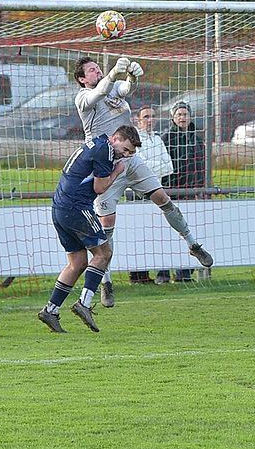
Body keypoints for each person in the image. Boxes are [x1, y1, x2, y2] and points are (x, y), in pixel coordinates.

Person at [73, 56, 212, 303]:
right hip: (105, 165)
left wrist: (131, 77)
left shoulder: (112, 86)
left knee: (164, 199)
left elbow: (125, 90)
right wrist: (114, 72)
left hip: (130, 159)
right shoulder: (83, 98)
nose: (97, 71)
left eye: (98, 68)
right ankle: (106, 282)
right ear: (82, 79)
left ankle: (193, 244)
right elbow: (101, 90)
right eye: (92, 70)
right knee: (107, 227)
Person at [37, 125, 138, 333]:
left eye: (130, 153)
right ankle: (84, 303)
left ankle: (50, 310)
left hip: (59, 207)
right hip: (76, 207)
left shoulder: (97, 144)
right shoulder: (106, 151)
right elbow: (99, 188)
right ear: (116, 138)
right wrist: (118, 172)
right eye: (125, 149)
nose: (125, 155)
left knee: (78, 262)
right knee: (104, 253)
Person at [160, 100, 208, 283]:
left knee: (190, 232)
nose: (182, 117)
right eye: (179, 114)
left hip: (191, 192)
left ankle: (185, 273)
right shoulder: (166, 138)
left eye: (185, 114)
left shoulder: (196, 137)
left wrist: (202, 187)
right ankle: (163, 274)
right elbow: (165, 166)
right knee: (168, 233)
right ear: (173, 117)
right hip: (172, 191)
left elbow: (201, 164)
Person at [127, 105, 175, 285]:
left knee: (160, 232)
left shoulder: (157, 140)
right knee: (138, 234)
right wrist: (153, 167)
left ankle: (163, 273)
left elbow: (169, 166)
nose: (150, 120)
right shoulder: (133, 140)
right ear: (138, 119)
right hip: (137, 193)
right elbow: (137, 168)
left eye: (152, 116)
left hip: (155, 191)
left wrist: (148, 168)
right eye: (146, 116)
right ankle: (138, 275)